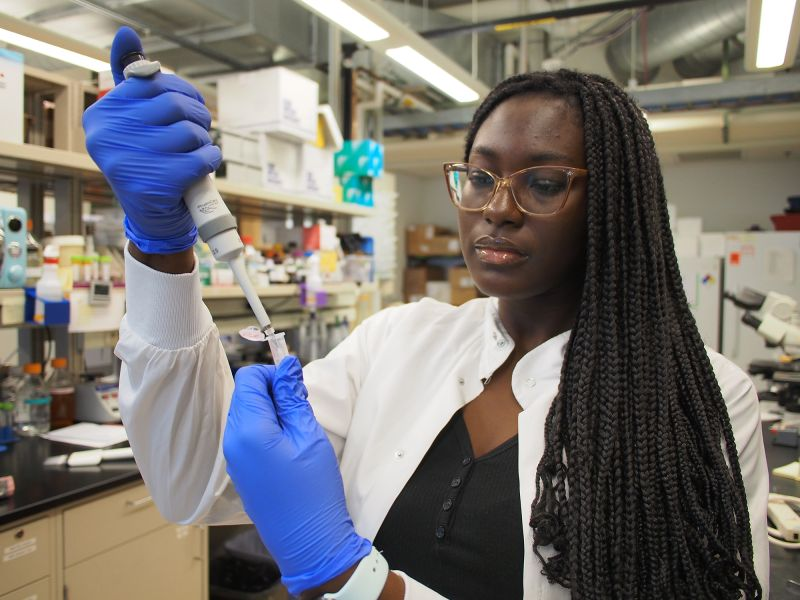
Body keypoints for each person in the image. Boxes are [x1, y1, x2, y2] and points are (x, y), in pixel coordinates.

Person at [85, 27, 769, 600]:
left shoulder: (696, 399)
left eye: (543, 182)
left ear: (613, 206)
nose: (497, 208)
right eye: (479, 175)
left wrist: (350, 579)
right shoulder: (400, 341)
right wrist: (161, 246)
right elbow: (190, 483)